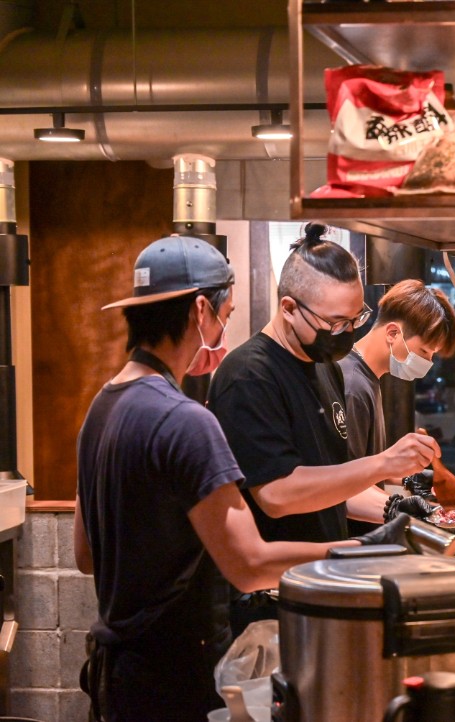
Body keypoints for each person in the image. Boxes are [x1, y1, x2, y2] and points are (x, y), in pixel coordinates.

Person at [73, 235, 361, 722]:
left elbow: (86, 556)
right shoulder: (186, 421)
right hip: (179, 676)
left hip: (118, 672)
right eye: (225, 318)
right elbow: (249, 564)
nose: (225, 332)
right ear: (201, 311)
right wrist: (355, 555)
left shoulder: (101, 408)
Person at [207, 224, 442, 631]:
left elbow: (331, 489)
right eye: (335, 323)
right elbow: (277, 495)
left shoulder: (326, 368)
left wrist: (392, 508)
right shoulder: (249, 377)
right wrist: (385, 464)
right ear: (288, 308)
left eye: (355, 319)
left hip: (325, 584)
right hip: (275, 598)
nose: (347, 333)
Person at [339, 279, 455, 527]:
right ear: (393, 333)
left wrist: (405, 479)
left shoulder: (369, 377)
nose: (427, 362)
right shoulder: (352, 385)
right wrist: (398, 509)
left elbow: (364, 467)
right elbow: (342, 485)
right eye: (424, 351)